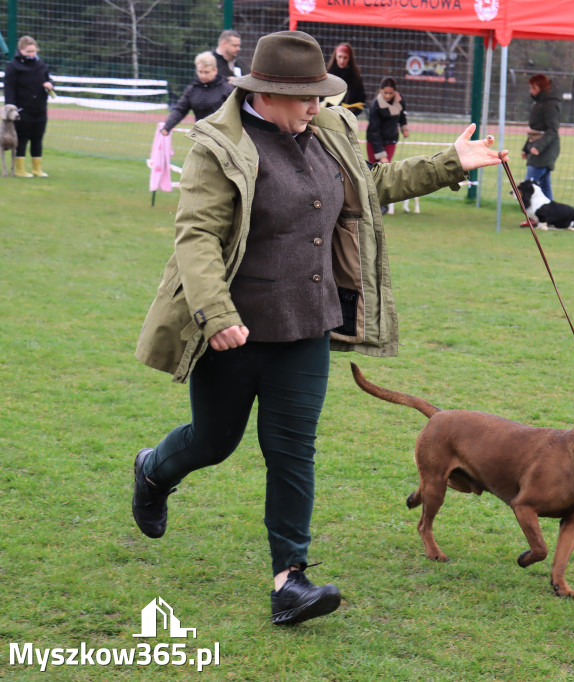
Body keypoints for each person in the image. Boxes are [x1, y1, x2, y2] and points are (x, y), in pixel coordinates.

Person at [132, 30, 507, 627]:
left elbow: (370, 187)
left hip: (308, 324)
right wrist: (219, 315)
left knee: (291, 452)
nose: (318, 107)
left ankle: (290, 580)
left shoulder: (328, 133)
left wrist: (447, 164)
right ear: (271, 93)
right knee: (214, 442)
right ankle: (153, 470)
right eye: (307, 98)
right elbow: (197, 236)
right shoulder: (219, 144)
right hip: (235, 330)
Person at [3, 36, 54, 178]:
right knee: (22, 138)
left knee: (37, 138)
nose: (31, 54)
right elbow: (9, 87)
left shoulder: (41, 65)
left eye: (33, 51)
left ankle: (37, 169)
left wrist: (50, 84)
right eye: (28, 51)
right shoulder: (13, 65)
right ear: (20, 50)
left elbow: (48, 78)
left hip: (40, 108)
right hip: (21, 109)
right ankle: (19, 169)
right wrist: (10, 107)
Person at [160, 52, 234, 136]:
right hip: (201, 135)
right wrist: (167, 126)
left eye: (206, 72)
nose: (203, 76)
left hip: (223, 136)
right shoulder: (192, 90)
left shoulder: (227, 89)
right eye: (200, 72)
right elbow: (180, 110)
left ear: (215, 70)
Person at [365, 77, 410, 214]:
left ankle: (383, 204)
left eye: (391, 93)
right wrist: (381, 154)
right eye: (386, 93)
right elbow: (374, 131)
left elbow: (402, 116)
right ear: (381, 91)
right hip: (374, 141)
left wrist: (404, 127)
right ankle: (371, 204)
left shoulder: (400, 101)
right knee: (373, 173)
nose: (388, 96)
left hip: (390, 141)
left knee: (385, 172)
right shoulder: (375, 106)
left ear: (395, 92)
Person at [520, 74, 560, 225]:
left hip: (546, 149)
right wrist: (526, 148)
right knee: (544, 185)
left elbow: (552, 129)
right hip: (537, 147)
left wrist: (538, 147)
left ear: (541, 88)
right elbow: (535, 130)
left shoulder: (551, 104)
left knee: (530, 183)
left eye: (533, 88)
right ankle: (550, 217)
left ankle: (533, 217)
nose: (530, 91)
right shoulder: (540, 103)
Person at [323, 42, 366, 116]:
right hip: (329, 114)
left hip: (347, 116)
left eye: (345, 57)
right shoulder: (328, 75)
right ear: (335, 57)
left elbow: (361, 99)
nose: (342, 61)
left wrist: (352, 111)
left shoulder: (355, 77)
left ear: (349, 59)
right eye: (340, 57)